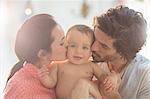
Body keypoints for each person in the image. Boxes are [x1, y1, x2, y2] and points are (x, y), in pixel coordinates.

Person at [70, 5, 150, 99]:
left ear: (123, 52)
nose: (93, 47)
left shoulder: (145, 75)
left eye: (103, 46)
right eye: (95, 38)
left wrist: (112, 95)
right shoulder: (86, 60)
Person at [38, 24, 119, 99]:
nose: (78, 51)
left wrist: (112, 79)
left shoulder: (91, 65)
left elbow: (103, 77)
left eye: (84, 48)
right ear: (66, 45)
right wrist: (45, 78)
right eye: (73, 45)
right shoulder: (58, 64)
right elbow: (51, 82)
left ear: (91, 51)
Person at [4, 14, 67, 99]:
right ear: (43, 54)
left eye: (65, 38)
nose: (68, 45)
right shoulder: (22, 89)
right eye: (62, 43)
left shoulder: (58, 70)